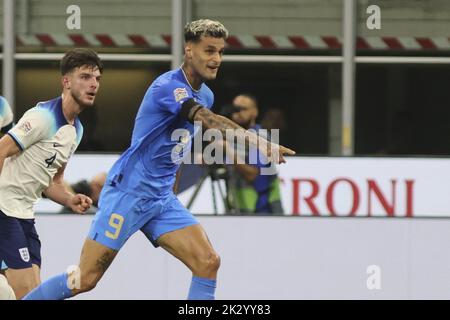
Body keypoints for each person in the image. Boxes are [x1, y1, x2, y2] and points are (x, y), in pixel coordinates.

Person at [23, 19, 295, 300]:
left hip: (161, 198)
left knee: (208, 262)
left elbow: (178, 146)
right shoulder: (167, 86)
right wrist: (260, 141)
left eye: (220, 52)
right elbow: (206, 119)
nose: (216, 59)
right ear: (189, 51)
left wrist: (172, 190)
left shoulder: (206, 94)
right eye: (209, 51)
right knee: (84, 280)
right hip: (129, 193)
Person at [0, 48, 101, 299]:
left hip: (24, 215)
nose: (93, 84)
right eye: (86, 77)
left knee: (31, 291)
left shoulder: (76, 130)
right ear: (66, 82)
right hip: (4, 211)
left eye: (97, 79)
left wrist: (69, 199)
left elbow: (51, 183)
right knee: (28, 293)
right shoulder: (42, 117)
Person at [225, 94, 285, 214]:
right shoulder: (229, 137)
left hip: (264, 209)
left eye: (244, 109)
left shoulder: (260, 137)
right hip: (239, 207)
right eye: (235, 109)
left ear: (255, 112)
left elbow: (252, 174)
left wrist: (227, 151)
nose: (238, 112)